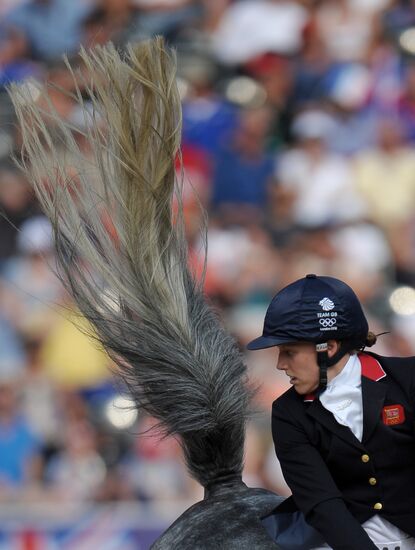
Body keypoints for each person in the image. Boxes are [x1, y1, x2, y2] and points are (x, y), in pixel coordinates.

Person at [248, 273, 415, 550]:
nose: (280, 364)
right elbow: (321, 502)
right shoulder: (288, 413)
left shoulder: (407, 380)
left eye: (289, 352)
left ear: (329, 347)